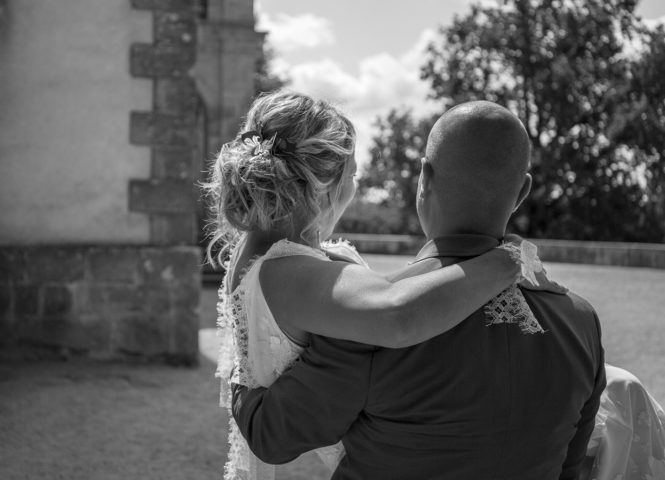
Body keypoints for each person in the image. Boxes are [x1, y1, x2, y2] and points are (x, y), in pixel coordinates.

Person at [231, 101, 610, 479]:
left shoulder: (361, 322)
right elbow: (571, 469)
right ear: (522, 191)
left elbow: (279, 433)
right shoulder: (581, 320)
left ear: (425, 177)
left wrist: (240, 378)